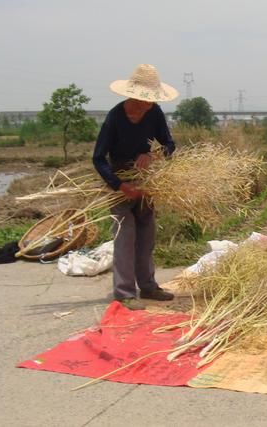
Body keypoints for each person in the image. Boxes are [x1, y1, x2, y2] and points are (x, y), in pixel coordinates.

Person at [93, 64, 179, 310]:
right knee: (124, 237)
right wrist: (119, 185)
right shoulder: (115, 118)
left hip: (147, 181)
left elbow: (169, 145)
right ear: (132, 96)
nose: (149, 104)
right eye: (145, 99)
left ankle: (149, 286)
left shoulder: (155, 114)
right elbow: (98, 158)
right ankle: (124, 293)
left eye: (152, 100)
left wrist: (152, 156)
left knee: (146, 234)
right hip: (120, 181)